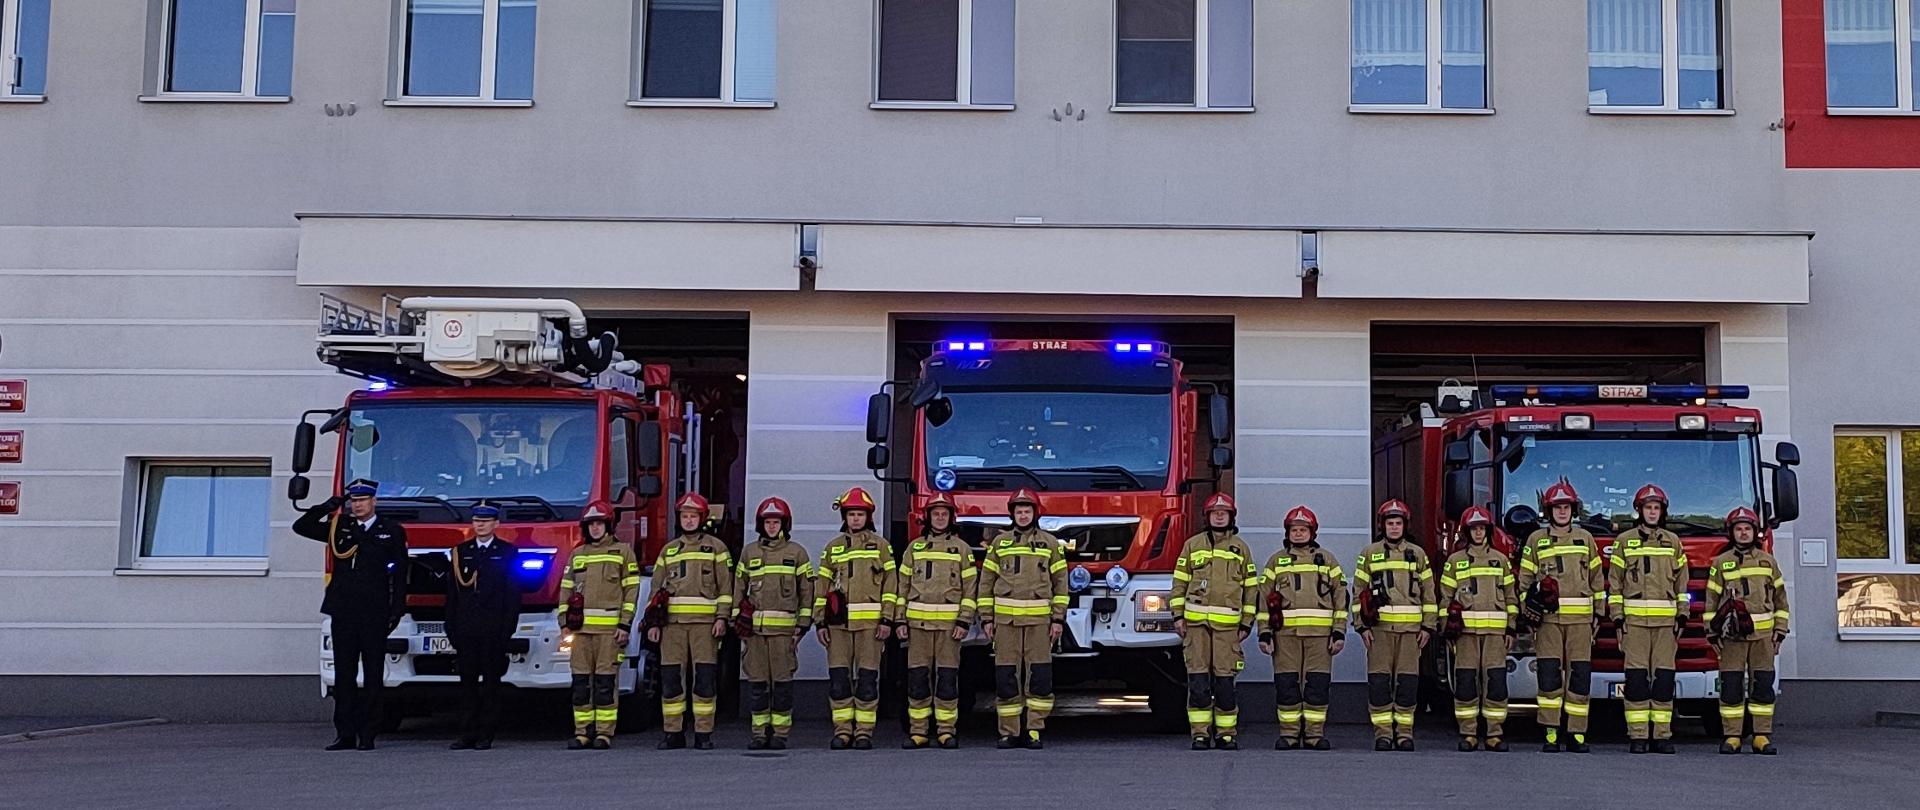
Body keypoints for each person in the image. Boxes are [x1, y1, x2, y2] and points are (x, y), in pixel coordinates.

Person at [293, 478, 407, 751]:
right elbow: (301, 527)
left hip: (374, 611)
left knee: (372, 674)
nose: (357, 506)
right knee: (344, 675)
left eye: (362, 500)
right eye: (353, 501)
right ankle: (344, 732)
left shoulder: (389, 530)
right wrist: (328, 506)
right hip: (343, 610)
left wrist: (397, 609)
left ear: (373, 502)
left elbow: (402, 573)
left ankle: (368, 733)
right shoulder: (338, 526)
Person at [1516, 479, 1605, 754]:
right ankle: (1551, 732)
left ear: (1573, 510)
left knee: (1579, 679)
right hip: (1548, 623)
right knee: (1549, 678)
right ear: (1548, 511)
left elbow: (1597, 580)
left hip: (1580, 622)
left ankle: (1577, 733)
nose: (1562, 512)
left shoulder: (1585, 539)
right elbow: (1524, 581)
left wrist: (1598, 614)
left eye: (1566, 507)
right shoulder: (1536, 540)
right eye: (1557, 507)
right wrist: (1527, 608)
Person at [977, 489, 1067, 749]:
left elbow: (1061, 584)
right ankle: (1008, 731)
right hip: (1005, 625)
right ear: (1012, 514)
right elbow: (986, 584)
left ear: (1035, 513)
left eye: (1027, 511)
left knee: (1039, 678)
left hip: (1040, 624)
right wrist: (987, 619)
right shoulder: (999, 543)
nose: (1023, 515)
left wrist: (1058, 619)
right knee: (1006, 678)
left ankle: (1034, 729)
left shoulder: (1050, 544)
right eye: (1019, 511)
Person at [1256, 505, 1348, 751]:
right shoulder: (1276, 561)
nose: (1298, 534)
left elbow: (1341, 597)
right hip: (1284, 637)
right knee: (1286, 686)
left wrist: (1339, 632)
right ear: (1287, 533)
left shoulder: (1327, 560)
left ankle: (1314, 735)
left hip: (1320, 637)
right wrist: (1264, 632)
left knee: (1317, 686)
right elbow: (1263, 597)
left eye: (1303, 529)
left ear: (1312, 532)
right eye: (1294, 530)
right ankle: (1289, 734)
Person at [1170, 493, 1256, 750]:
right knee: (1197, 682)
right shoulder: (1192, 545)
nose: (1219, 516)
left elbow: (1251, 589)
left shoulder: (1240, 548)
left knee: (1225, 683)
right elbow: (1179, 583)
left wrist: (1246, 623)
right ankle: (1200, 734)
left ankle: (1226, 734)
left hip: (1228, 630)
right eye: (1215, 512)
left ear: (1231, 517)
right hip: (1195, 627)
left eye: (1224, 512)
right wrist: (1177, 617)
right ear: (1207, 517)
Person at [812, 487, 896, 749]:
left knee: (868, 681)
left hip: (871, 628)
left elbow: (891, 586)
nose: (856, 519)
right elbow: (821, 589)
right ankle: (842, 731)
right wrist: (820, 622)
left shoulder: (882, 547)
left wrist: (887, 620)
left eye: (860, 514)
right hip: (837, 628)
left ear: (868, 517)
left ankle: (864, 733)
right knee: (839, 681)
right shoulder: (832, 548)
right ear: (845, 518)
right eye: (851, 514)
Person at [891, 493, 976, 749]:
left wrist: (963, 622)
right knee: (917, 680)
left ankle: (946, 731)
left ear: (951, 517)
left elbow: (970, 589)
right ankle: (918, 731)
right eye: (935, 513)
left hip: (950, 630)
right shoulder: (913, 548)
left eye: (944, 513)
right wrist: (899, 621)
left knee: (948, 681)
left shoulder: (962, 549)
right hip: (917, 628)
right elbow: (901, 587)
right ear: (927, 517)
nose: (940, 518)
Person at [648, 493, 733, 750]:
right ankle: (672, 733)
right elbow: (655, 591)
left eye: (693, 516)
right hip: (672, 627)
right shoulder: (668, 551)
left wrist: (722, 618)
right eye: (684, 516)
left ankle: (703, 733)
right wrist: (653, 623)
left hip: (705, 627)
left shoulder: (717, 549)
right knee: (671, 680)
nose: (688, 521)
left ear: (702, 519)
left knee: (705, 681)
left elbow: (726, 588)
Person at [1608, 483, 1688, 755]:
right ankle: (1639, 736)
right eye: (1648, 508)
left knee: (1664, 681)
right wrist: (1618, 621)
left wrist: (1683, 617)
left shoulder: (1673, 543)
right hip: (1634, 626)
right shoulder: (1623, 542)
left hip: (1666, 626)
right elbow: (1614, 587)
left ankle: (1662, 736)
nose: (1652, 512)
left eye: (1656, 508)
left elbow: (1682, 586)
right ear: (1639, 511)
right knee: (1637, 681)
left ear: (1662, 512)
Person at [1352, 499, 1436, 751]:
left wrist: (1428, 628)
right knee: (1379, 684)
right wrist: (1361, 627)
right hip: (1379, 633)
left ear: (1405, 526)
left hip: (1411, 633)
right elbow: (1358, 592)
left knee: (1408, 684)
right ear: (1383, 526)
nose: (1394, 528)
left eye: (1398, 523)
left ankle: (1405, 734)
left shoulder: (1418, 554)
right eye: (1390, 523)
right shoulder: (1369, 553)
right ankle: (1383, 734)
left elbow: (1429, 594)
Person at [1704, 506, 1789, 755]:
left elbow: (1781, 600)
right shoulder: (1720, 563)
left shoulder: (1768, 562)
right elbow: (1711, 600)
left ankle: (1761, 736)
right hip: (1732, 638)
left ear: (1755, 532)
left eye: (1747, 529)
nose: (1743, 533)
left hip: (1763, 638)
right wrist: (1711, 633)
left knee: (1762, 686)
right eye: (1739, 529)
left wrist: (1780, 630)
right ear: (1732, 533)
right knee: (1730, 688)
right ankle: (1732, 736)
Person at [733, 497, 813, 750]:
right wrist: (737, 622)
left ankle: (780, 734)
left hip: (784, 633)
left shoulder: (797, 553)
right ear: (761, 525)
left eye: (776, 522)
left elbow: (806, 593)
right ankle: (758, 734)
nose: (771, 527)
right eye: (767, 522)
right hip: (754, 633)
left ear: (784, 524)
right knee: (757, 684)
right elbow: (738, 589)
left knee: (782, 685)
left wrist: (802, 626)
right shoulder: (749, 552)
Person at [558, 501, 638, 750]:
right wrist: (564, 625)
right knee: (581, 684)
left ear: (608, 526)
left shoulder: (623, 552)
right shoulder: (577, 555)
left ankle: (604, 733)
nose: (595, 528)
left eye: (599, 523)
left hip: (608, 634)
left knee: (605, 684)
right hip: (580, 634)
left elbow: (631, 591)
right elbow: (565, 591)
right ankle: (582, 732)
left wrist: (625, 626)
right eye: (591, 524)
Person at [445, 502, 522, 750]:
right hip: (466, 628)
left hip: (493, 628)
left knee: (491, 684)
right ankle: (466, 733)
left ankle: (486, 733)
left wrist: (507, 628)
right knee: (467, 684)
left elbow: (512, 594)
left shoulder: (507, 552)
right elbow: (453, 595)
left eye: (486, 520)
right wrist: (451, 628)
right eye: (477, 520)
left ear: (496, 524)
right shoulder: (461, 552)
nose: (481, 524)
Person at [1440, 507, 1517, 752]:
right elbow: (1445, 598)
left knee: (1495, 684)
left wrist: (1511, 630)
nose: (1478, 532)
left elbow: (1511, 598)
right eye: (1474, 528)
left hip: (1495, 636)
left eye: (1482, 528)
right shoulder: (1455, 562)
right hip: (1465, 637)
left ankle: (1494, 734)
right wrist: (1447, 630)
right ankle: (1468, 733)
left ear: (1488, 531)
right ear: (1466, 532)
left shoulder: (1501, 560)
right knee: (1465, 684)